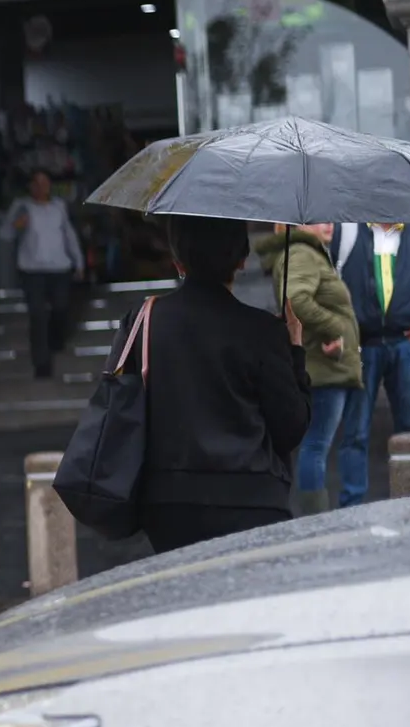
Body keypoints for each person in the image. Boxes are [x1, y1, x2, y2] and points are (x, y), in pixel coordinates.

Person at [132, 217, 311, 553]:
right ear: (242, 259)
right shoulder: (262, 331)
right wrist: (295, 350)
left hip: (169, 504)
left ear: (177, 261)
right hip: (252, 500)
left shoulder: (144, 322)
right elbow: (290, 427)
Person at [332, 221, 410, 508]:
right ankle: (352, 508)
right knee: (355, 432)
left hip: (406, 343)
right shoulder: (349, 233)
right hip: (363, 343)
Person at [254, 223, 361, 515]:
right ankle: (317, 521)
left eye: (329, 218)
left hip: (326, 366)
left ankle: (316, 518)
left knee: (316, 447)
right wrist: (334, 328)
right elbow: (296, 300)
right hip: (323, 368)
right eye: (317, 219)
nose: (328, 224)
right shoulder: (302, 253)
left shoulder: (309, 253)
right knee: (315, 447)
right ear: (294, 225)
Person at [0, 170, 85, 377]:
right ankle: (42, 364)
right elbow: (4, 234)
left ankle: (56, 341)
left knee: (60, 308)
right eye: (36, 183)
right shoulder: (21, 206)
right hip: (32, 270)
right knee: (37, 315)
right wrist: (16, 225)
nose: (41, 187)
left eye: (45, 182)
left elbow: (69, 235)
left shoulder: (59, 207)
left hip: (59, 268)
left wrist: (79, 262)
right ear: (30, 186)